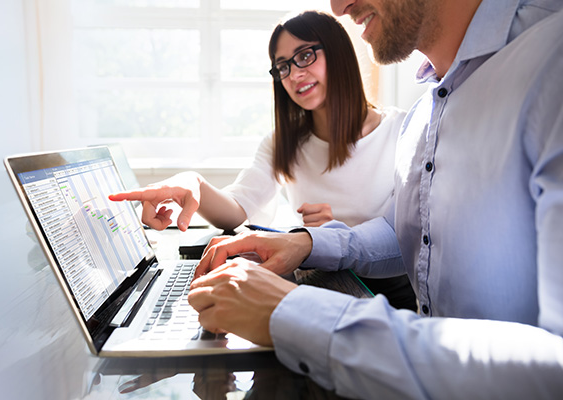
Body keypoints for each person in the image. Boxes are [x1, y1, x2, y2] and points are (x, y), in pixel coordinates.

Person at [187, 0, 563, 398]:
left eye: (305, 56)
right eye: (284, 66)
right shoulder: (426, 112)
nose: (338, 5)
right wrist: (305, 243)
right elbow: (403, 232)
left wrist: (293, 313)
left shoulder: (550, 62)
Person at [110, 11, 416, 311]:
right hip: (323, 290)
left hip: (391, 296)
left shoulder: (404, 130)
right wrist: (193, 183)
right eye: (282, 66)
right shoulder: (282, 142)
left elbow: (410, 237)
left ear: (339, 53)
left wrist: (332, 235)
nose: (294, 75)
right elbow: (235, 210)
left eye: (305, 56)